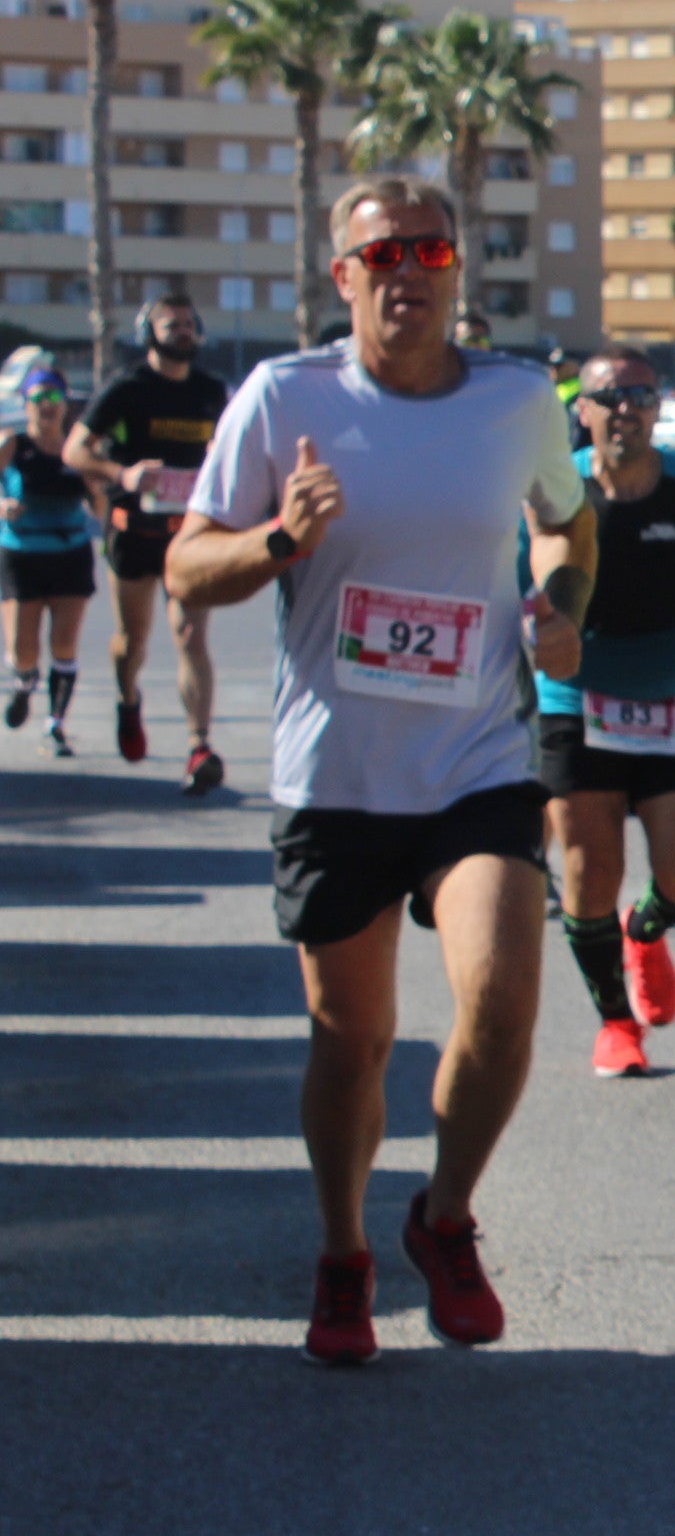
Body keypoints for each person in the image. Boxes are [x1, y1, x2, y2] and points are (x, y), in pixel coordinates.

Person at [166, 176, 593, 1365]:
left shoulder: (516, 401)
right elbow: (186, 569)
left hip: (476, 761)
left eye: (431, 249)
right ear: (344, 276)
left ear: (459, 271)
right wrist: (280, 538)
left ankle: (444, 1218)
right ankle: (345, 1251)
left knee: (504, 996)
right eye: (382, 253)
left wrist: (559, 602)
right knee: (349, 1039)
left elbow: (567, 522)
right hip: (336, 776)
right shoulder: (282, 397)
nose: (409, 269)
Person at [536, 346, 675, 1080]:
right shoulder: (553, 491)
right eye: (609, 397)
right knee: (585, 868)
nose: (624, 410)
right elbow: (516, 585)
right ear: (583, 410)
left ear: (658, 405)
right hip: (576, 696)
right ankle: (614, 1022)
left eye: (639, 395)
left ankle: (648, 928)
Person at [66, 295, 231, 787]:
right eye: (169, 324)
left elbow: (230, 449)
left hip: (188, 536)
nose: (182, 331)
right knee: (132, 642)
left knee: (190, 635)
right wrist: (126, 474)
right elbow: (76, 450)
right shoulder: (128, 388)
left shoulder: (210, 391)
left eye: (188, 323)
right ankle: (128, 700)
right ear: (147, 333)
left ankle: (198, 747)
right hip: (134, 532)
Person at [1, 359, 98, 756]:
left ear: (64, 404)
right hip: (22, 555)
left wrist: (103, 495)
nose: (47, 404)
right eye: (39, 397)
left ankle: (56, 723)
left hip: (71, 553)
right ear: (26, 405)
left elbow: (102, 504)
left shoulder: (78, 448)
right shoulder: (12, 445)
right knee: (23, 648)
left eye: (54, 396)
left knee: (64, 643)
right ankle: (25, 683)